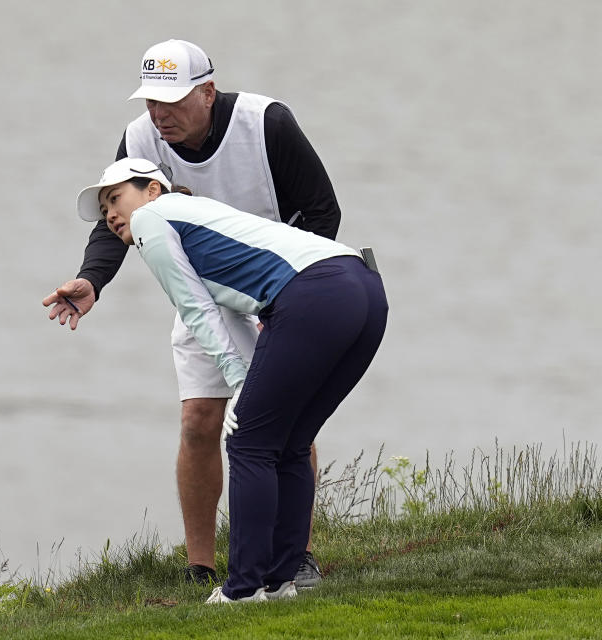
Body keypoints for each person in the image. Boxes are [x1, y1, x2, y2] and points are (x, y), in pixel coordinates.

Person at [43, 39, 341, 587]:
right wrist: (92, 280)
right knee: (198, 423)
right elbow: (116, 216)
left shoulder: (266, 123)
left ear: (207, 92)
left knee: (286, 423)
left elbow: (322, 211)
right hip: (199, 294)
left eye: (173, 100)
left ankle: (295, 553)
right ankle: (200, 565)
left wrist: (290, 295)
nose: (159, 114)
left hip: (275, 293)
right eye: (151, 101)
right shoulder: (140, 138)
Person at [75, 158, 388, 603]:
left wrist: (240, 382)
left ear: (152, 191)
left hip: (317, 292)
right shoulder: (198, 216)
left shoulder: (151, 219)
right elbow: (234, 310)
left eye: (115, 197)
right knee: (292, 441)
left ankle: (242, 589)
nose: (109, 214)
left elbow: (194, 309)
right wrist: (246, 376)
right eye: (104, 207)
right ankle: (280, 582)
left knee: (248, 444)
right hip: (364, 287)